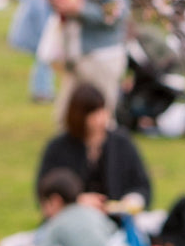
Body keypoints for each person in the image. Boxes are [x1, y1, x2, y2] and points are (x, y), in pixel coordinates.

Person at [49, 0, 133, 125]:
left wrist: (80, 9)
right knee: (66, 119)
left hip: (102, 55)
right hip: (79, 53)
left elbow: (117, 16)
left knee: (100, 120)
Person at [36, 83, 152, 213]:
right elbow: (45, 193)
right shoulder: (58, 148)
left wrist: (132, 201)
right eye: (93, 113)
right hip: (73, 221)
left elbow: (142, 185)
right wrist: (75, 201)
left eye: (102, 110)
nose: (100, 118)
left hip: (116, 220)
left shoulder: (122, 143)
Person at [20, 168, 119, 246]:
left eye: (44, 205)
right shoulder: (91, 211)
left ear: (55, 201)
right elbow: (112, 229)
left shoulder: (57, 223)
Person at [8, 0, 71, 103]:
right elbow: (41, 8)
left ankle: (43, 90)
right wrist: (48, 32)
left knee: (43, 59)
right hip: (35, 27)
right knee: (43, 58)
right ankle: (42, 92)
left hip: (36, 26)